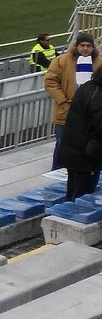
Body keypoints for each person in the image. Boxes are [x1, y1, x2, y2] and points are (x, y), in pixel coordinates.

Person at [56, 68, 102, 200]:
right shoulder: (97, 96)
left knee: (73, 194)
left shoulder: (89, 87)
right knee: (82, 198)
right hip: (86, 157)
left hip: (76, 153)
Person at [40, 32, 79, 171]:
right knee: (62, 144)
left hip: (87, 113)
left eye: (88, 45)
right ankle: (56, 174)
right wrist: (63, 100)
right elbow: (50, 82)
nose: (85, 48)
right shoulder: (62, 61)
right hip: (65, 112)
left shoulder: (97, 62)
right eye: (82, 45)